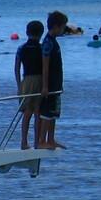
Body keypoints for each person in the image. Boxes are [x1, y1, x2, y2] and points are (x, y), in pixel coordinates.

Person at [38, 10, 68, 150]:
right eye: (62, 27)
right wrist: (44, 86)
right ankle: (42, 140)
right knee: (47, 113)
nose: (63, 30)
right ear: (55, 27)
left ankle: (51, 139)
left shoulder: (54, 42)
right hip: (49, 83)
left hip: (56, 82)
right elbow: (45, 65)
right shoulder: (48, 42)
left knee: (54, 112)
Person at [14, 20, 45, 149]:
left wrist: (19, 84)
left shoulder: (21, 48)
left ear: (27, 32)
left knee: (27, 112)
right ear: (41, 33)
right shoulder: (42, 48)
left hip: (26, 80)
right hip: (39, 79)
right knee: (38, 112)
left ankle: (24, 141)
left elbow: (16, 68)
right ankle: (37, 142)